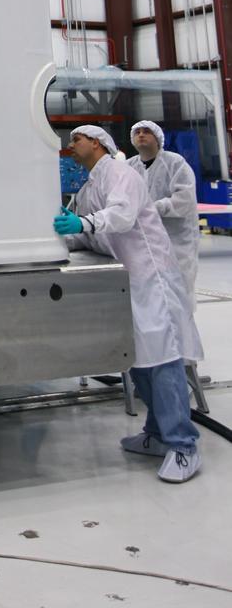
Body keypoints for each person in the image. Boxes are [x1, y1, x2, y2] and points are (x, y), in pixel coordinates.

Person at [53, 125, 202, 483]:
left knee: (164, 359)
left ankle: (184, 446)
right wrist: (60, 236)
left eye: (77, 139)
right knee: (136, 358)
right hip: (129, 282)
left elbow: (119, 216)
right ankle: (155, 433)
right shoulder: (90, 185)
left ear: (97, 143)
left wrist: (84, 222)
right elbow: (89, 233)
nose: (71, 145)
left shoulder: (121, 173)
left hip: (153, 278)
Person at [128, 120, 200, 310]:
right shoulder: (130, 167)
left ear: (158, 138)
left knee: (179, 288)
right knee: (151, 294)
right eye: (138, 132)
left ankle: (185, 330)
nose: (141, 135)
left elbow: (184, 200)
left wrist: (152, 208)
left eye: (146, 132)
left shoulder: (174, 163)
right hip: (144, 240)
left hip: (177, 240)